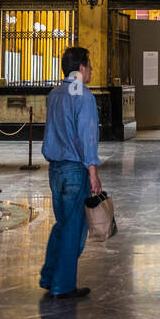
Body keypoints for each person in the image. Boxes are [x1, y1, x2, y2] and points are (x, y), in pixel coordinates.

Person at [39, 46, 101, 299]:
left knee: (63, 224)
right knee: (73, 228)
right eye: (90, 64)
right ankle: (62, 286)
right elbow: (87, 138)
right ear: (82, 67)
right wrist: (93, 173)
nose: (92, 69)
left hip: (55, 170)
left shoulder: (55, 94)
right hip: (75, 170)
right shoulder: (84, 96)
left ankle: (49, 275)